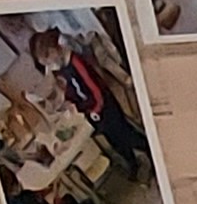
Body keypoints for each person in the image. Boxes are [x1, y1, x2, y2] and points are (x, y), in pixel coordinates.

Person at [34, 26, 148, 181]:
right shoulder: (61, 69)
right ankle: (132, 164)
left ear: (54, 50)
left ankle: (150, 150)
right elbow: (70, 89)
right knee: (113, 141)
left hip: (104, 105)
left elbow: (94, 88)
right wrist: (68, 102)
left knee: (125, 134)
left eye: (48, 59)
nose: (50, 64)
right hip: (90, 109)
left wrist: (96, 109)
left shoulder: (76, 62)